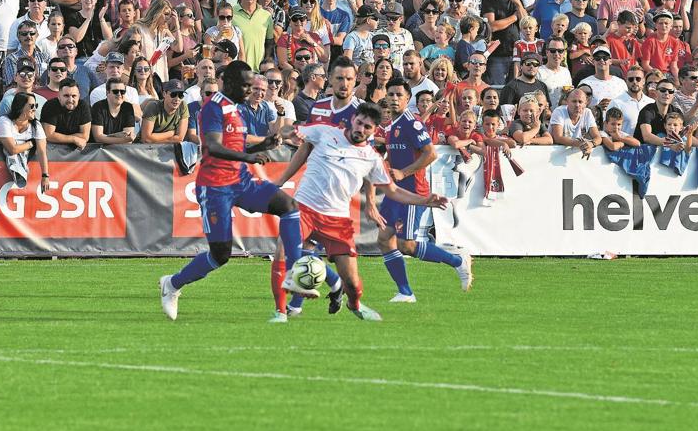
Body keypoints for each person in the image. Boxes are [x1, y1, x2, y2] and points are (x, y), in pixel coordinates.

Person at [274, 101, 448, 322]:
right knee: (283, 250)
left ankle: (353, 302)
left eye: (367, 127)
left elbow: (393, 191)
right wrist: (288, 132)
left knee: (353, 284)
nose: (361, 129)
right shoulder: (325, 131)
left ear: (374, 130)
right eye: (359, 123)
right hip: (305, 208)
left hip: (337, 220)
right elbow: (290, 130)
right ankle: (281, 313)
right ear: (352, 119)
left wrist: (424, 200)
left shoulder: (372, 157)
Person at [159, 61, 306, 322]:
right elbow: (212, 148)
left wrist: (266, 144)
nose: (250, 91)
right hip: (215, 187)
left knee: (289, 206)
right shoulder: (213, 107)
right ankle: (172, 284)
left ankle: (296, 273)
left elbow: (237, 148)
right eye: (246, 86)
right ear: (229, 82)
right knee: (220, 255)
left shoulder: (235, 108)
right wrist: (248, 158)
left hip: (240, 181)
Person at [375, 78, 471, 303]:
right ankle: (405, 292)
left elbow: (431, 154)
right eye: (391, 94)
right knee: (383, 238)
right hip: (394, 191)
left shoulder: (412, 123)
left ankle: (457, 261)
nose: (395, 98)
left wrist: (404, 172)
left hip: (413, 192)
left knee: (405, 245)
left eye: (400, 95)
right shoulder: (392, 125)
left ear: (408, 98)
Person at [0, 92, 50, 191]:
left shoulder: (36, 125)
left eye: (36, 105)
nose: (35, 109)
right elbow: (12, 149)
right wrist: (32, 143)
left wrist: (45, 175)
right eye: (31, 106)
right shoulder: (4, 121)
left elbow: (42, 152)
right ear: (20, 107)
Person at [39, 79, 91, 149]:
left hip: (77, 153)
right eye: (66, 96)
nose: (70, 100)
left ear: (79, 96)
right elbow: (49, 135)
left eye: (74, 96)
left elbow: (85, 136)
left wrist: (59, 137)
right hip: (52, 151)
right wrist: (74, 139)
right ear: (59, 96)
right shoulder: (50, 106)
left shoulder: (84, 106)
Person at [550, 88, 601, 159]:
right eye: (574, 101)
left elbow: (598, 138)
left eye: (580, 102)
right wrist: (581, 144)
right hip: (554, 156)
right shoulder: (558, 111)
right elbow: (558, 138)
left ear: (585, 103)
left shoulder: (588, 113)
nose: (577, 105)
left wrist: (590, 144)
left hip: (574, 157)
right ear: (567, 101)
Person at [139, 79, 188, 144]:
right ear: (164, 94)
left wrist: (154, 139)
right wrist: (171, 133)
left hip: (167, 150)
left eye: (180, 95)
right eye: (173, 94)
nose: (177, 99)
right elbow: (146, 139)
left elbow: (180, 138)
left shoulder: (182, 105)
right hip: (144, 150)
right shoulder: (153, 106)